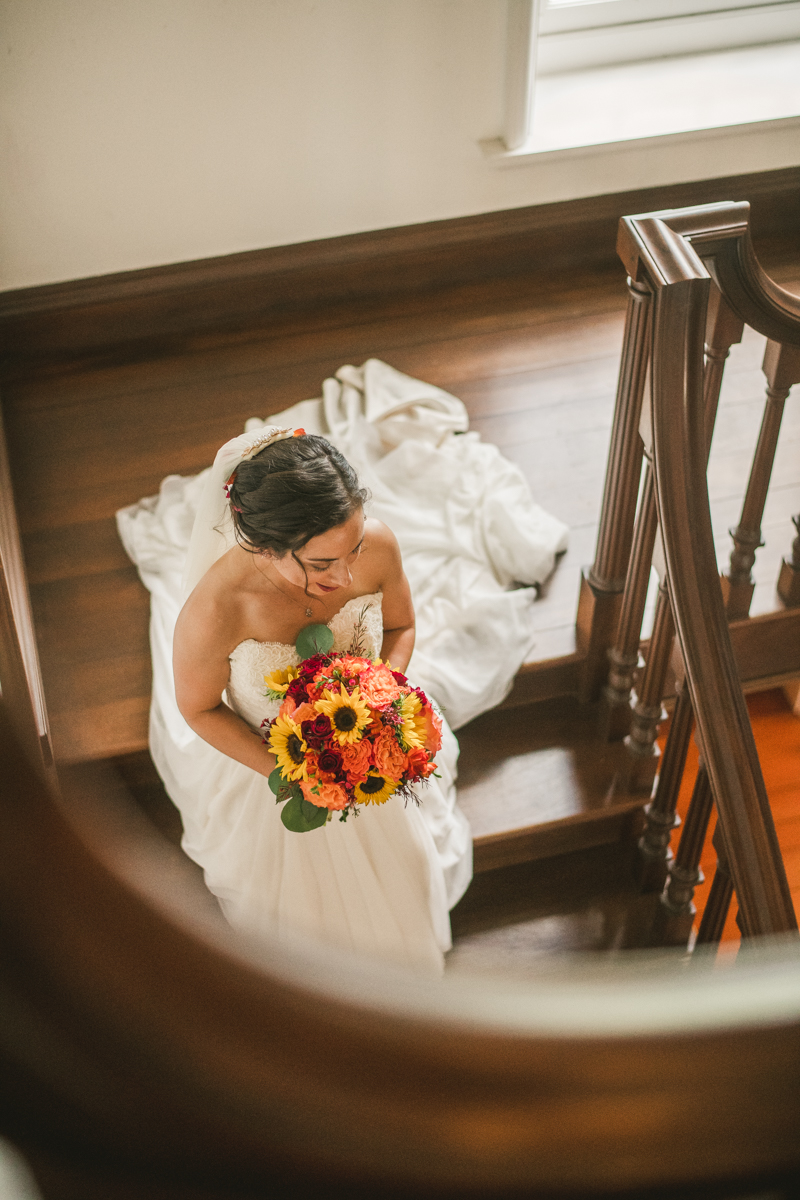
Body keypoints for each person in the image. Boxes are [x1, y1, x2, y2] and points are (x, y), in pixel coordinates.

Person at [164, 424, 471, 973]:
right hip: (280, 769)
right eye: (322, 564)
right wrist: (295, 773)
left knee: (400, 870)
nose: (348, 574)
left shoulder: (377, 545)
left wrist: (383, 698)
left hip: (373, 753)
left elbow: (400, 627)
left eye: (352, 549)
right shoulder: (217, 611)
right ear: (263, 545)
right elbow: (197, 708)